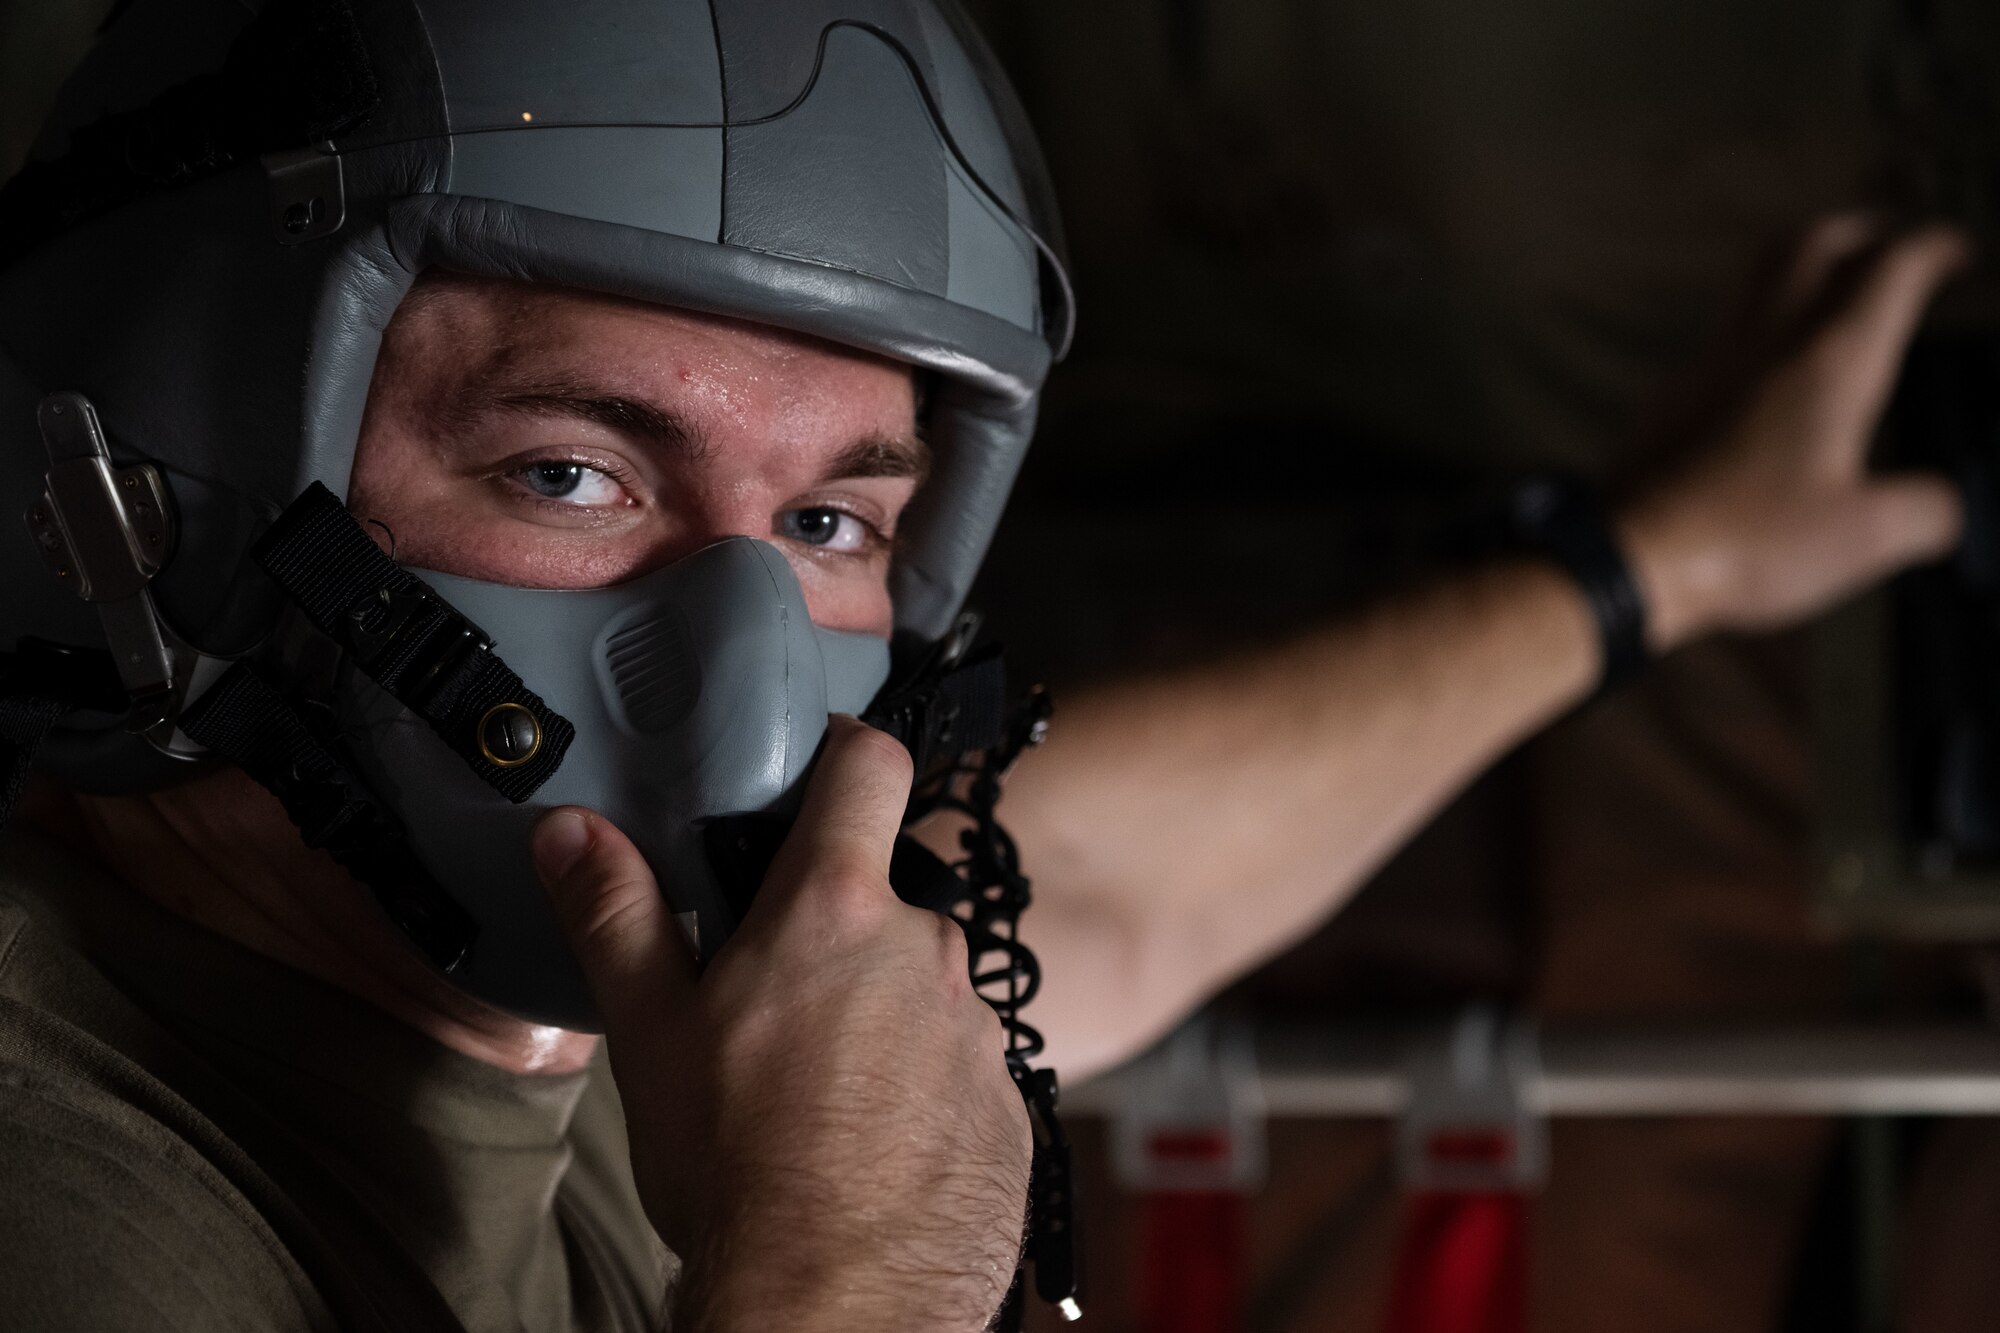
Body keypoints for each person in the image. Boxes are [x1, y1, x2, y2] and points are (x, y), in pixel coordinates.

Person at [0, 2, 1971, 1331]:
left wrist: (1658, 565)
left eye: (830, 522)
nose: (749, 672)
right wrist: (855, 1279)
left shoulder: (519, 994)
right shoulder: (84, 1227)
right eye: (572, 468)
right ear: (155, 479)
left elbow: (1107, 884)